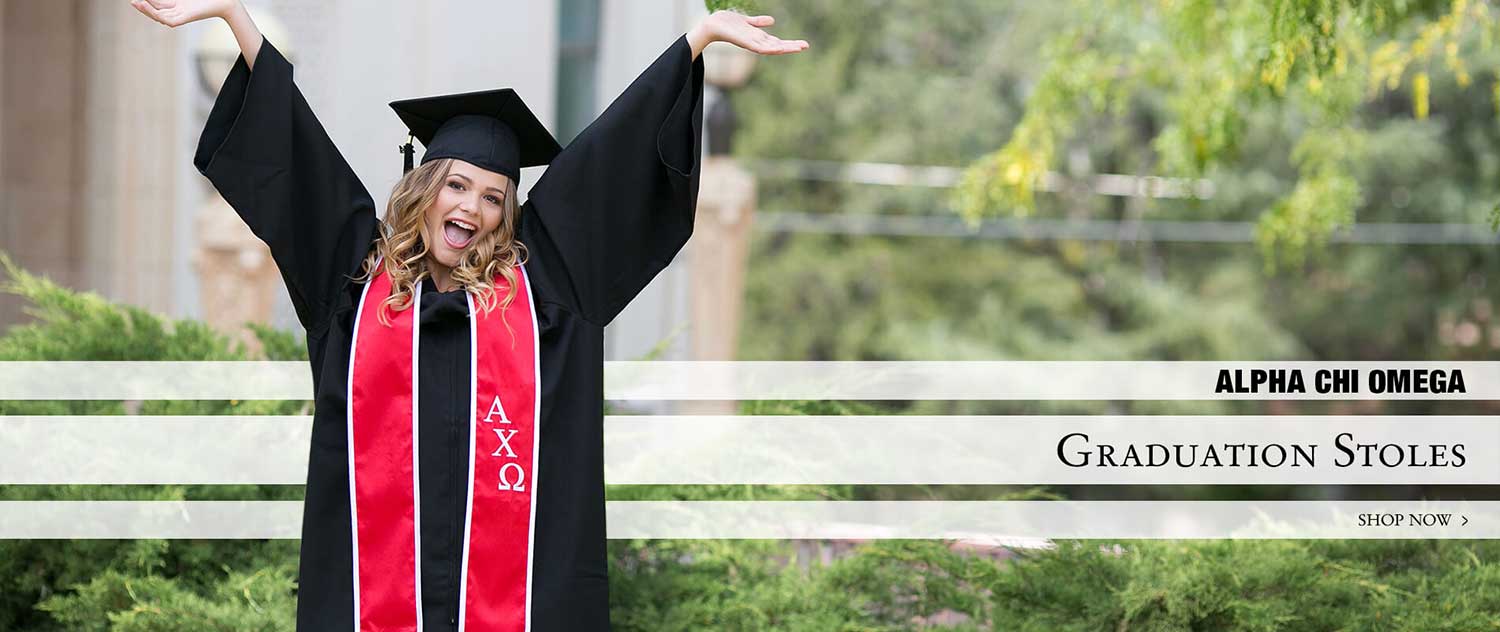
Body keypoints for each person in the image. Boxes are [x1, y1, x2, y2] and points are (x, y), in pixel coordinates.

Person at [131, 1, 808, 630]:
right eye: (456, 184)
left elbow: (610, 163)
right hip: (372, 601)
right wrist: (232, 14)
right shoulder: (356, 290)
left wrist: (698, 39)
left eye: (493, 196)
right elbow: (302, 158)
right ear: (424, 190)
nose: (471, 208)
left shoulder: (547, 292)